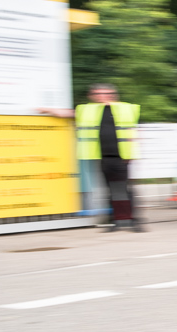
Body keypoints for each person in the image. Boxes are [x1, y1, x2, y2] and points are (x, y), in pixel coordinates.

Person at [39, 84, 143, 232]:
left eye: (106, 93)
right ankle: (115, 221)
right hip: (103, 157)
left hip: (123, 157)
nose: (102, 96)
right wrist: (47, 110)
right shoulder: (88, 110)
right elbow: (69, 113)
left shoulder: (126, 108)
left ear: (114, 94)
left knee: (125, 190)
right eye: (98, 93)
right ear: (92, 95)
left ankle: (134, 221)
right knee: (110, 190)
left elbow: (136, 130)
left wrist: (134, 153)